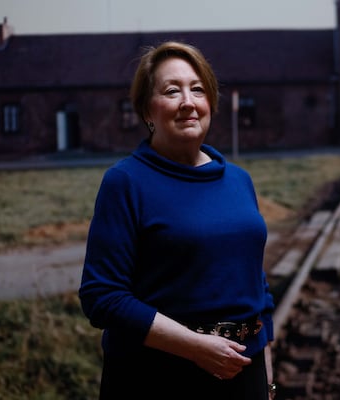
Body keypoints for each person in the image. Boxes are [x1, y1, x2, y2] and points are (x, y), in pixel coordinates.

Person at [79, 41, 276, 399]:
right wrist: (196, 347)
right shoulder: (126, 182)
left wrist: (267, 376)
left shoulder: (238, 180)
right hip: (157, 377)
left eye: (197, 89)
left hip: (243, 374)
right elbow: (102, 296)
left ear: (210, 103)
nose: (188, 101)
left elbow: (255, 283)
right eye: (172, 91)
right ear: (147, 111)